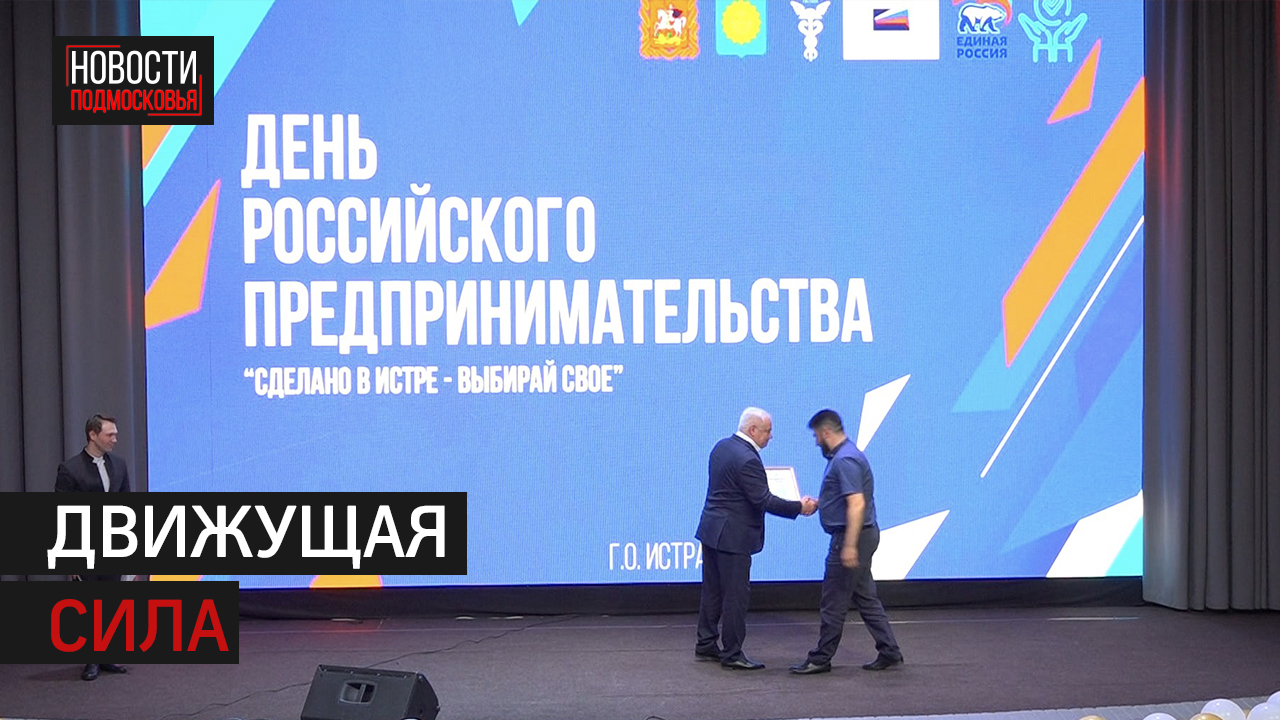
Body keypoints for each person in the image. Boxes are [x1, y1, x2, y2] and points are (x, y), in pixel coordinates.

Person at [695, 407, 818, 670]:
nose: (771, 436)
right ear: (752, 430)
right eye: (767, 431)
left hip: (711, 529)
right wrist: (799, 507)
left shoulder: (722, 447)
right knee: (735, 596)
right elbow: (764, 500)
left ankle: (706, 643)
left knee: (712, 591)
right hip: (733, 537)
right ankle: (732, 653)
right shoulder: (748, 459)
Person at [790, 409, 903, 675]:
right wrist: (823, 503)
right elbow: (847, 498)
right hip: (862, 534)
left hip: (852, 537)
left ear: (826, 432)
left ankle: (821, 658)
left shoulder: (844, 460)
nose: (816, 442)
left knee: (834, 600)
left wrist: (850, 545)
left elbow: (856, 503)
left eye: (817, 436)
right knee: (865, 597)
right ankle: (889, 650)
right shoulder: (847, 455)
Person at [55, 413, 131, 682]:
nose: (115, 439)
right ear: (93, 435)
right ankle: (91, 660)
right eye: (110, 434)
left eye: (115, 434)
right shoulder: (70, 469)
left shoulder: (119, 465)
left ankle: (106, 655)